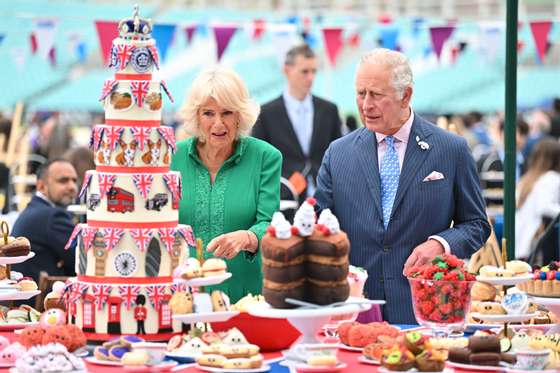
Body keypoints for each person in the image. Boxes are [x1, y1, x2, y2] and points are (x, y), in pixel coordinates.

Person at [314, 48, 491, 323]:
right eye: (360, 94)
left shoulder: (451, 149)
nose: (366, 104)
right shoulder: (338, 154)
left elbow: (477, 225)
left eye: (376, 95)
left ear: (405, 95)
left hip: (427, 312)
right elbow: (317, 226)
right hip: (354, 315)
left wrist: (440, 244)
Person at [171, 67, 282, 303]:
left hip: (246, 299)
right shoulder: (171, 157)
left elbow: (270, 223)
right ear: (196, 116)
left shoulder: (266, 157)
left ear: (240, 115)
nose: (218, 124)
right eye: (208, 113)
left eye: (227, 113)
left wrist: (248, 237)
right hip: (182, 299)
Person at [252, 44, 342, 202]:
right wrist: (284, 185)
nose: (311, 77)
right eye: (305, 71)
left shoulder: (329, 110)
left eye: (314, 71)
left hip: (325, 195)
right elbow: (258, 161)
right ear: (287, 70)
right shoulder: (266, 113)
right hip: (284, 198)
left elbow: (339, 155)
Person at [12, 159, 78, 283]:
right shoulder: (53, 216)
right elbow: (81, 262)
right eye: (63, 181)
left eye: (74, 180)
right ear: (41, 186)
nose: (72, 186)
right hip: (41, 300)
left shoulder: (36, 210)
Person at [515, 138, 560, 260]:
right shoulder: (552, 178)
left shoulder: (526, 178)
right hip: (535, 242)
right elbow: (544, 207)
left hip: (520, 240)